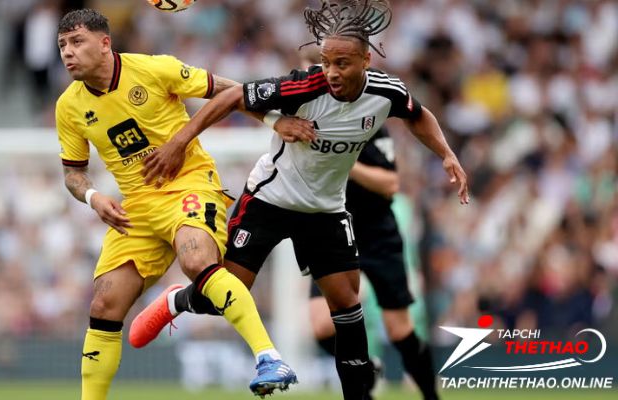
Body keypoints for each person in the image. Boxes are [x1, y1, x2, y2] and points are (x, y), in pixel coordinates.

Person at [131, 1, 468, 399]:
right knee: (227, 292)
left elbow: (418, 114)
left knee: (346, 304)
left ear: (365, 59)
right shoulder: (304, 85)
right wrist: (179, 142)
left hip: (324, 210)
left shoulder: (386, 92)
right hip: (269, 200)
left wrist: (445, 152)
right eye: (326, 62)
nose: (331, 72)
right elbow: (232, 97)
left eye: (342, 63)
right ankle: (179, 300)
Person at [54, 9, 296, 400]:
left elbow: (228, 89)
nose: (68, 52)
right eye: (62, 45)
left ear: (104, 44)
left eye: (77, 42)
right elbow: (73, 172)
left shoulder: (154, 70)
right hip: (136, 208)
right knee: (104, 303)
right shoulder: (69, 106)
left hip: (189, 185)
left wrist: (272, 120)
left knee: (197, 260)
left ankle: (269, 357)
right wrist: (93, 196)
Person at [308, 127, 441, 400]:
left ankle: (430, 393)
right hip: (333, 232)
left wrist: (347, 163)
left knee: (400, 330)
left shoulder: (372, 127)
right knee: (321, 325)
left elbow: (389, 183)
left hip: (376, 236)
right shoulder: (316, 123)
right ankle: (366, 370)